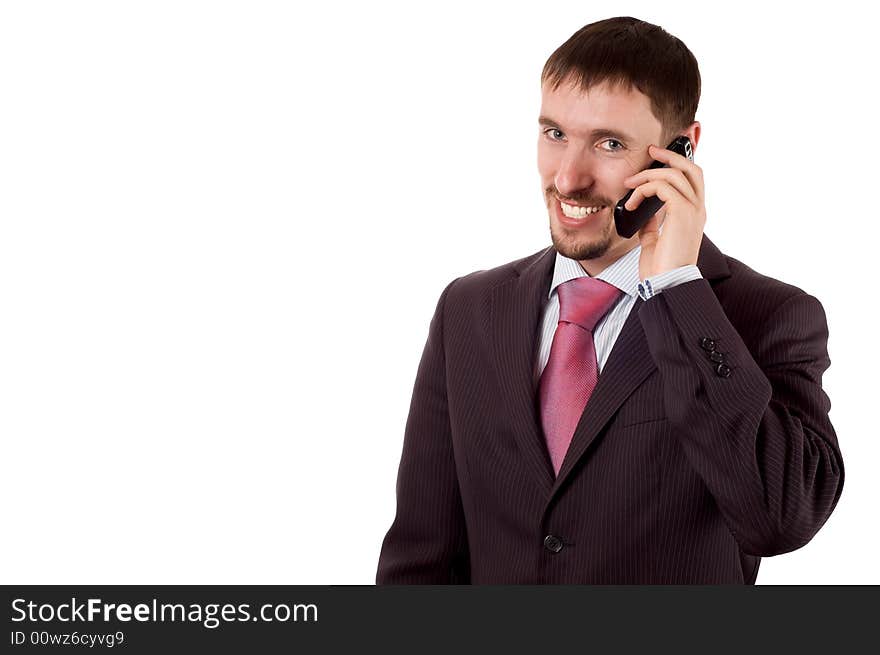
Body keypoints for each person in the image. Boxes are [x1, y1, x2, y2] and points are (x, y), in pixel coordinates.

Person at [375, 16, 843, 584]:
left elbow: (780, 518)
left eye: (609, 144)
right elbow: (420, 562)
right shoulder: (469, 311)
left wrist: (677, 287)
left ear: (680, 151)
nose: (568, 178)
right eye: (554, 134)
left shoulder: (768, 317)